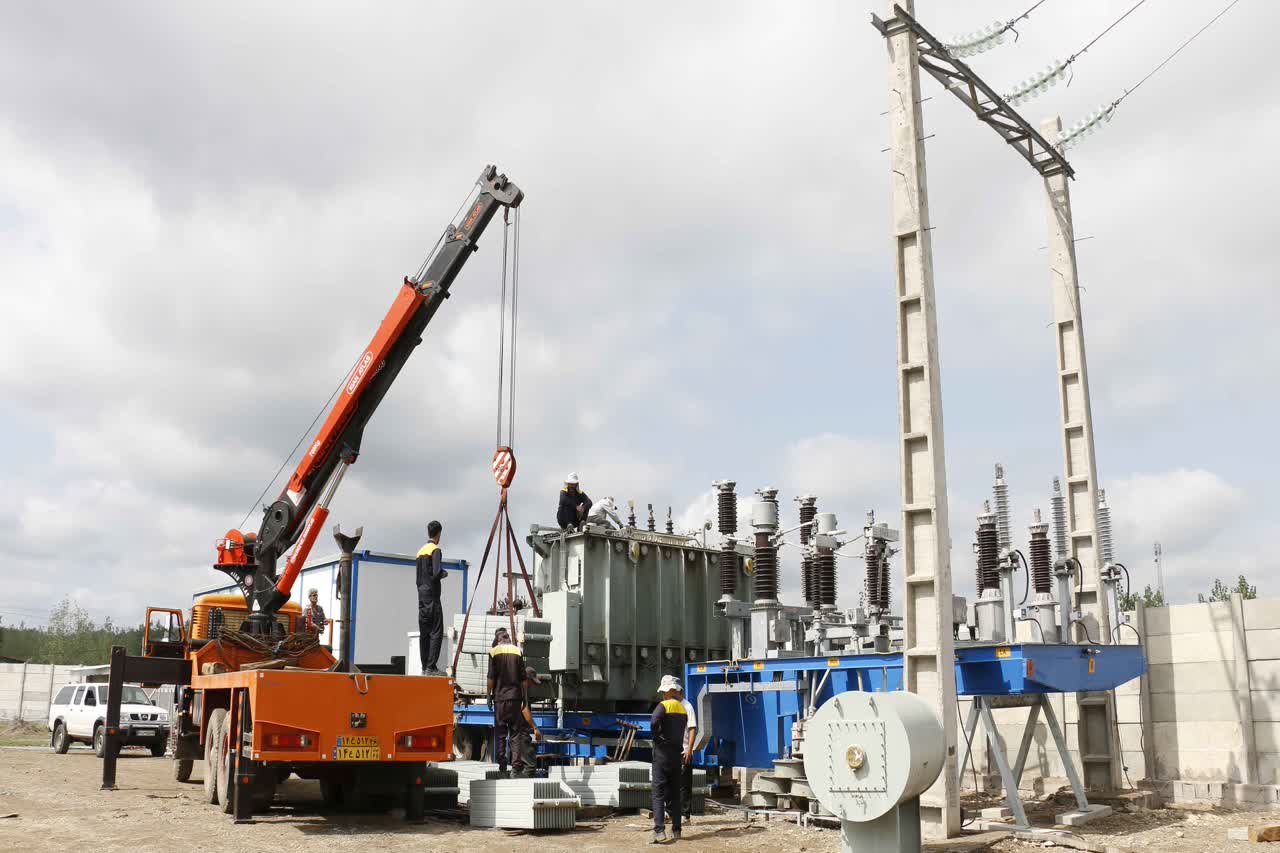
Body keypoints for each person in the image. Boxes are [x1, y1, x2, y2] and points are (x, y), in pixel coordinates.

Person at [650, 674, 688, 844]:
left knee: (658, 792)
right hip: (676, 755)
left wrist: (657, 738)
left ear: (666, 691)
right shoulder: (682, 708)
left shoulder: (663, 706)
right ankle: (677, 830)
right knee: (675, 794)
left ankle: (659, 831)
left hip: (662, 754)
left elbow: (654, 722)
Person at [487, 627, 530, 777]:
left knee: (500, 733)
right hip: (515, 699)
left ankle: (502, 765)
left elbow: (490, 677)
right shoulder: (517, 651)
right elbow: (524, 679)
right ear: (509, 639)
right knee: (515, 734)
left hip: (500, 699)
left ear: (498, 640)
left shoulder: (494, 652)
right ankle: (516, 767)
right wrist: (525, 698)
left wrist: (488, 695)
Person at [416, 520, 449, 676]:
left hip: (421, 597)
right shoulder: (435, 550)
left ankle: (424, 668)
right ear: (438, 534)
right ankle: (431, 667)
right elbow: (436, 573)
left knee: (424, 633)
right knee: (436, 631)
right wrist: (444, 573)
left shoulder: (420, 551)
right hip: (432, 597)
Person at [674, 681, 698, 822]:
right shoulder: (669, 705)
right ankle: (670, 811)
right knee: (670, 783)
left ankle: (685, 814)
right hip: (671, 751)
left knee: (684, 784)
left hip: (683, 750)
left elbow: (692, 728)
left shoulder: (687, 706)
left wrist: (689, 749)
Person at [517, 665, 546, 778]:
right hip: (520, 732)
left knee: (519, 766)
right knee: (530, 766)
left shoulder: (520, 689)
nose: (532, 685)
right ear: (526, 679)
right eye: (532, 682)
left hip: (517, 731)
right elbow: (524, 709)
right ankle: (525, 787)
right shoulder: (520, 690)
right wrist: (535, 728)